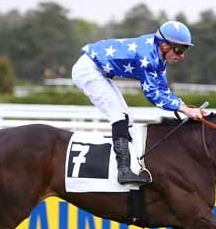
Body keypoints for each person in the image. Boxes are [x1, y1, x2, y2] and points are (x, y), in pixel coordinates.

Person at [71, 21, 208, 185]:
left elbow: (163, 90)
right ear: (164, 46)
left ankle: (124, 167)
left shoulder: (158, 56)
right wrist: (185, 110)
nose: (181, 56)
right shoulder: (147, 56)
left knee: (126, 119)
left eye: (185, 50)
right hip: (88, 70)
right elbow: (153, 94)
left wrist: (187, 108)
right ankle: (123, 172)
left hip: (99, 70)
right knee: (119, 116)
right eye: (179, 49)